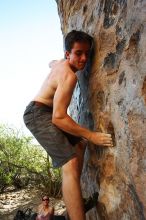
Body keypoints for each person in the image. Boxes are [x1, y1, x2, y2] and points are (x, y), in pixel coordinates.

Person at [23, 30, 113, 220]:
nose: (84, 59)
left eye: (87, 54)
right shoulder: (69, 76)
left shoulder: (60, 63)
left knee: (78, 145)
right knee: (70, 162)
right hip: (37, 114)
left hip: (45, 112)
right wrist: (92, 135)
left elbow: (51, 62)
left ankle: (74, 202)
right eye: (78, 53)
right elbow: (58, 117)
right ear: (68, 54)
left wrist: (54, 63)